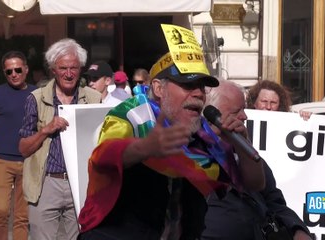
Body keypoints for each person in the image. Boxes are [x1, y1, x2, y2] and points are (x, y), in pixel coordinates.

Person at [77, 51, 265, 240]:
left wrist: (242, 143)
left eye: (201, 87)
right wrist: (144, 148)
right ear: (159, 89)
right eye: (188, 85)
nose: (199, 93)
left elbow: (255, 183)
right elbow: (105, 156)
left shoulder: (204, 135)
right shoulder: (133, 116)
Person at [202, 79, 312, 240]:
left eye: (244, 109)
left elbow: (274, 200)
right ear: (212, 115)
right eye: (236, 111)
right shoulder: (192, 151)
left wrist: (297, 229)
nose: (244, 116)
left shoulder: (245, 151)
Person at [19, 38, 101, 240]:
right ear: (53, 70)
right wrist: (46, 130)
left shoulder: (93, 98)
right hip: (46, 183)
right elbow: (23, 149)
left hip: (82, 183)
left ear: (80, 69)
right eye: (63, 68)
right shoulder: (36, 99)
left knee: (82, 237)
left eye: (74, 68)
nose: (69, 73)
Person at [0, 50, 36, 240]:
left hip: (29, 162)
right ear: (5, 73)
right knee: (0, 211)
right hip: (1, 161)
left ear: (26, 69)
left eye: (18, 69)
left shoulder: (36, 94)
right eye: (9, 71)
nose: (14, 74)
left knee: (22, 216)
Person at [247, 80, 312, 120]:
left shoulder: (289, 122)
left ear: (280, 105)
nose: (268, 107)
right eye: (264, 101)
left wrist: (304, 118)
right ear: (254, 103)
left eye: (273, 102)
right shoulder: (243, 121)